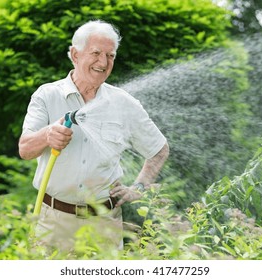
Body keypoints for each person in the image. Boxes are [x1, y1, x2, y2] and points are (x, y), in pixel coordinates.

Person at [18, 20, 169, 251]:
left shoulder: (124, 103)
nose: (103, 62)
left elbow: (159, 149)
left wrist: (139, 187)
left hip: (104, 223)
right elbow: (25, 149)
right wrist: (48, 135)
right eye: (96, 53)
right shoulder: (47, 96)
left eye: (110, 55)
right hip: (54, 222)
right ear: (75, 55)